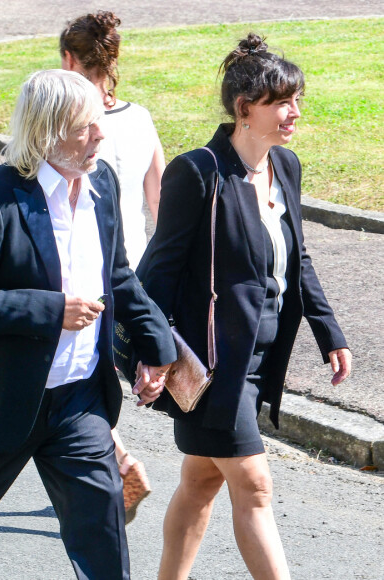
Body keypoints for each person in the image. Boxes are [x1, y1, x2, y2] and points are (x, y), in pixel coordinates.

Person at [0, 69, 176, 580]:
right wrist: (53, 312)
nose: (100, 135)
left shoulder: (101, 181)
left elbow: (117, 275)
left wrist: (157, 345)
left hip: (78, 400)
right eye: (86, 127)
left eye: (100, 122)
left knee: (102, 530)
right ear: (47, 132)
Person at [140, 34, 352, 579]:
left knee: (201, 481)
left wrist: (329, 331)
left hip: (262, 357)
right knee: (254, 484)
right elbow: (157, 271)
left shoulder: (286, 166)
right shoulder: (198, 173)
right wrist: (151, 352)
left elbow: (296, 256)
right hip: (215, 362)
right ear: (244, 109)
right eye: (282, 102)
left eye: (297, 99)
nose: (295, 112)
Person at [60, 10, 166, 522]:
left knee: (80, 376)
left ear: (68, 59)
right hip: (136, 268)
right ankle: (106, 464)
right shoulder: (141, 118)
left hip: (85, 269)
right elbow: (160, 200)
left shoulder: (68, 123)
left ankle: (119, 462)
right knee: (118, 367)